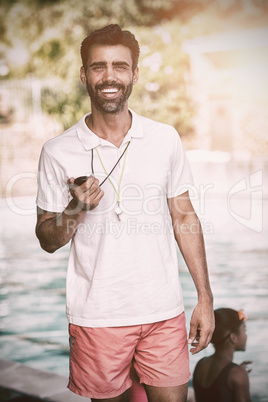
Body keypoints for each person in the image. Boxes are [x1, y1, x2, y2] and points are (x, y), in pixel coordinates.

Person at [35, 24, 214, 402]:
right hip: (97, 317)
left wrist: (205, 298)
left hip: (163, 311)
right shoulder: (57, 151)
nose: (109, 76)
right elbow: (47, 239)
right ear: (84, 75)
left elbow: (185, 217)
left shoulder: (165, 137)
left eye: (120, 66)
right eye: (98, 67)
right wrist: (76, 207)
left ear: (134, 74)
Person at [193, 308, 252, 402]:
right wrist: (238, 374)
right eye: (244, 330)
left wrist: (232, 372)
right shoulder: (237, 375)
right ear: (233, 337)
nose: (246, 335)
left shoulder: (200, 364)